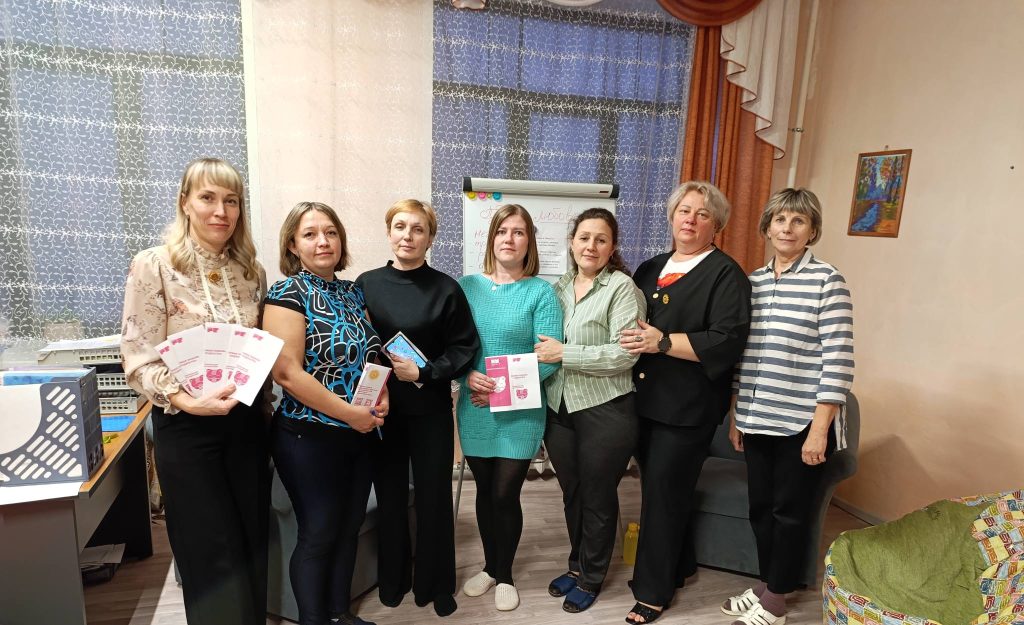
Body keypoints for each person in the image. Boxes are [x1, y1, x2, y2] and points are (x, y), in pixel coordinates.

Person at [121, 157, 269, 625]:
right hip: (185, 425)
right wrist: (187, 400)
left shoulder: (251, 271)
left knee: (250, 540)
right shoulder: (154, 264)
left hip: (245, 424)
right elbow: (138, 357)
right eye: (208, 198)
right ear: (185, 202)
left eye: (231, 201)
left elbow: (255, 351)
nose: (221, 211)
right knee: (209, 549)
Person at [617, 181, 752, 625]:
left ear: (717, 225)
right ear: (671, 216)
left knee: (663, 496)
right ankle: (680, 565)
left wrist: (663, 342)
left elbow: (726, 340)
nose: (690, 220)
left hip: (687, 409)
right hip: (643, 401)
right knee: (662, 491)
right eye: (684, 210)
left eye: (702, 214)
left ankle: (652, 592)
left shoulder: (726, 275)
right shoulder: (651, 267)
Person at [721, 188, 854, 625]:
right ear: (767, 226)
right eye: (780, 219)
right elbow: (743, 354)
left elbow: (838, 361)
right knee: (761, 509)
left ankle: (775, 603)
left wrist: (819, 430)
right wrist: (738, 414)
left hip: (801, 422)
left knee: (789, 513)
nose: (787, 228)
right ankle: (768, 584)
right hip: (757, 416)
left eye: (798, 221)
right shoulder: (753, 282)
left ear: (812, 230)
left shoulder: (827, 281)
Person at [262, 202, 388, 625]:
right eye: (310, 234)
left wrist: (381, 395)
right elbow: (286, 373)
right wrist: (349, 414)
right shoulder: (286, 294)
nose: (323, 241)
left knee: (348, 528)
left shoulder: (353, 292)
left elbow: (370, 356)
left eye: (331, 232)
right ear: (292, 245)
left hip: (359, 433)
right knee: (318, 534)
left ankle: (339, 614)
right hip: (308, 436)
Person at [355, 199, 480, 617]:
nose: (407, 236)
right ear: (389, 232)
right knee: (390, 498)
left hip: (430, 410)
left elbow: (464, 348)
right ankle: (393, 578)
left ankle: (437, 582)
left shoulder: (446, 288)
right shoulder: (366, 284)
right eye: (400, 226)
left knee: (433, 498)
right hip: (382, 412)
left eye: (418, 229)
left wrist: (424, 372)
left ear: (430, 238)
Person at [533, 208, 645, 614]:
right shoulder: (559, 287)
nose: (591, 246)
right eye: (584, 237)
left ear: (612, 247)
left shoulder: (622, 288)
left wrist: (565, 353)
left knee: (598, 495)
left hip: (606, 409)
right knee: (573, 492)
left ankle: (592, 577)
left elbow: (624, 354)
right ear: (572, 242)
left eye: (601, 239)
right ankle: (576, 565)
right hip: (559, 407)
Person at [457, 204, 564, 612]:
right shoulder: (466, 287)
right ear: (492, 238)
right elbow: (453, 347)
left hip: (520, 411)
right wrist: (466, 374)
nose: (509, 239)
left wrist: (499, 389)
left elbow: (549, 357)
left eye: (518, 232)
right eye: (502, 231)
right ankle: (488, 567)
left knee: (505, 494)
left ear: (529, 242)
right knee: (485, 492)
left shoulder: (540, 292)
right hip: (474, 407)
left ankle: (505, 575)